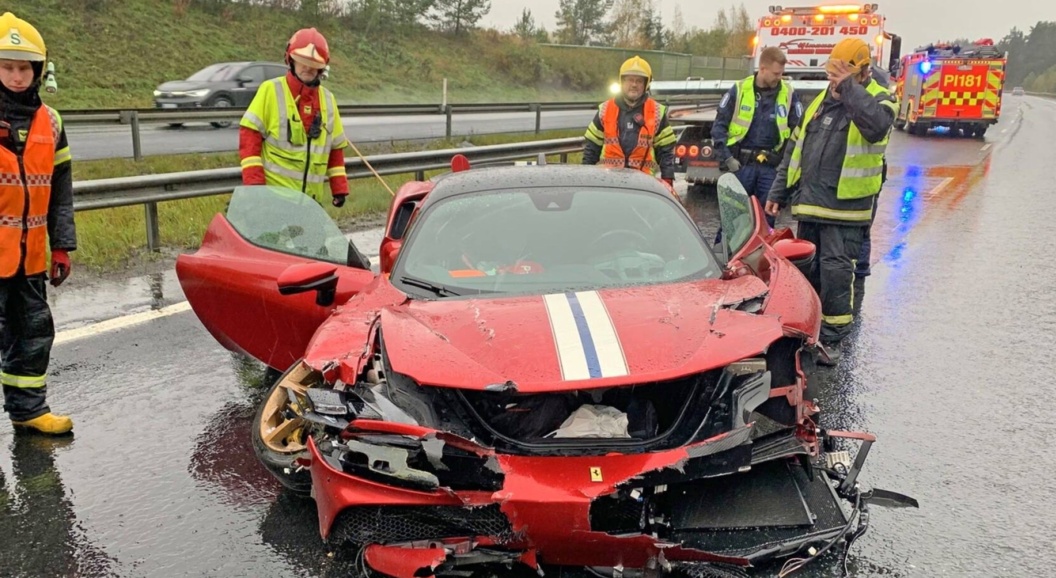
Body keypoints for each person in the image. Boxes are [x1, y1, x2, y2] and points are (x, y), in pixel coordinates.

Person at [764, 38, 897, 364]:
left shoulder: (881, 100)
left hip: (846, 210)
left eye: (843, 73)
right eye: (833, 73)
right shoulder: (819, 102)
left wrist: (849, 88)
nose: (834, 80)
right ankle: (807, 331)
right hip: (811, 205)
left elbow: (875, 127)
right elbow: (795, 151)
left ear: (863, 71)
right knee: (808, 274)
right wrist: (778, 192)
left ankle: (834, 340)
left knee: (837, 274)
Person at [0, 12, 76, 434]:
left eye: (23, 68)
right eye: (7, 67)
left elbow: (59, 192)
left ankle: (28, 410)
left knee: (32, 334)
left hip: (29, 258)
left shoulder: (52, 122)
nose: (15, 76)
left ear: (38, 70)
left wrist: (61, 245)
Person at [239, 27, 351, 208]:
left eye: (314, 63)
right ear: (290, 60)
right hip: (273, 202)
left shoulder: (328, 100)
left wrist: (339, 187)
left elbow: (335, 149)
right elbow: (249, 138)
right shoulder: (270, 90)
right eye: (302, 60)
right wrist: (255, 187)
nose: (307, 67)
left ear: (322, 67)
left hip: (311, 205)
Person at [712, 46, 803, 228]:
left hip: (770, 168)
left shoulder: (788, 93)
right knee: (732, 222)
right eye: (776, 73)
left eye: (781, 74)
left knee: (766, 223)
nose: (779, 78)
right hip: (741, 165)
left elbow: (798, 132)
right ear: (762, 69)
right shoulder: (740, 90)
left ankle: (762, 257)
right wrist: (727, 159)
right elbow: (719, 127)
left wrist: (783, 162)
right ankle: (726, 257)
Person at [583, 56, 677, 187]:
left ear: (646, 84)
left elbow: (666, 153)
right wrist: (585, 179)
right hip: (608, 182)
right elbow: (591, 150)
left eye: (639, 81)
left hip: (643, 185)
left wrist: (668, 182)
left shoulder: (656, 112)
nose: (634, 85)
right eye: (630, 80)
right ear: (622, 82)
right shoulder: (605, 110)